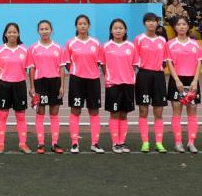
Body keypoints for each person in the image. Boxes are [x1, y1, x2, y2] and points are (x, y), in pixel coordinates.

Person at [64, 14, 105, 153]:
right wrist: (77, 72)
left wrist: (89, 71)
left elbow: (99, 62)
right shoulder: (70, 43)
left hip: (93, 80)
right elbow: (67, 63)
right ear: (76, 26)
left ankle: (95, 143)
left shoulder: (96, 43)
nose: (82, 26)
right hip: (76, 80)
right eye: (80, 24)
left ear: (88, 26)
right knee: (75, 110)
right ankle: (74, 143)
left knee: (94, 111)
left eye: (85, 23)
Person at [165, 16, 202, 153]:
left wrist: (195, 80)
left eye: (184, 24)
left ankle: (191, 142)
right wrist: (176, 80)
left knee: (192, 112)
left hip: (192, 81)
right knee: (177, 112)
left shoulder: (195, 44)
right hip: (177, 81)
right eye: (179, 24)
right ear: (175, 27)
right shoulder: (170, 44)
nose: (181, 27)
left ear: (188, 26)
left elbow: (199, 62)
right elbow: (169, 63)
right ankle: (178, 142)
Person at [27, 19, 65, 154]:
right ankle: (41, 143)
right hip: (40, 83)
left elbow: (62, 68)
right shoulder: (33, 48)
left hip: (55, 82)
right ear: (38, 31)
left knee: (54, 113)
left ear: (51, 30)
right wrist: (32, 87)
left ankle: (55, 143)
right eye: (42, 29)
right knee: (40, 112)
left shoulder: (58, 47)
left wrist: (62, 86)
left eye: (47, 29)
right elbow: (31, 69)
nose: (44, 31)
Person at [134, 12, 168, 153]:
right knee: (143, 110)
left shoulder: (162, 40)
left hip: (158, 76)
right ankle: (145, 142)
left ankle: (159, 142)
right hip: (143, 75)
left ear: (157, 23)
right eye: (148, 21)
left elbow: (165, 61)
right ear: (144, 23)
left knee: (158, 111)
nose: (151, 23)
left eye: (153, 21)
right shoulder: (139, 39)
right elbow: (134, 60)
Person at [0, 22, 30, 153]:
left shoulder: (25, 50)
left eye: (14, 32)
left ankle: (23, 144)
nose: (12, 34)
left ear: (18, 34)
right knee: (2, 115)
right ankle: (0, 144)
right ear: (5, 34)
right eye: (9, 32)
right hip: (4, 85)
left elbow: (27, 69)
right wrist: (4, 79)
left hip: (19, 85)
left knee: (21, 116)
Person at [102, 18, 136, 153]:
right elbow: (103, 65)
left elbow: (134, 65)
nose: (118, 30)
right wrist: (110, 77)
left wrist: (127, 76)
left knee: (124, 114)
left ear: (125, 30)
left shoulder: (131, 46)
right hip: (113, 84)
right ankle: (115, 143)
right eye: (115, 28)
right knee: (114, 114)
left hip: (128, 84)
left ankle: (122, 142)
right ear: (111, 30)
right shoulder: (106, 46)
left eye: (121, 28)